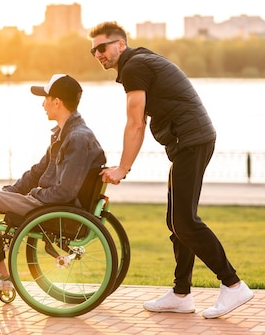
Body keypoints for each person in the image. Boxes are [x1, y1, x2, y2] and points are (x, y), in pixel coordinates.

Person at [88, 21, 254, 319]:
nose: (98, 54)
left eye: (102, 47)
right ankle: (181, 294)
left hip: (192, 141)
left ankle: (233, 284)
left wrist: (122, 168)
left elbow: (136, 122)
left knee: (185, 222)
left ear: (120, 44)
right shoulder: (140, 61)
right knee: (176, 220)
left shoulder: (133, 68)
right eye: (93, 50)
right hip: (190, 141)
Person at [0, 74, 106, 291]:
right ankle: (2, 276)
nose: (42, 104)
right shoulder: (65, 133)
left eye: (45, 98)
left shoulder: (77, 138)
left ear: (57, 102)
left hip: (57, 209)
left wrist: (32, 195)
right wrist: (11, 191)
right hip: (51, 203)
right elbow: (38, 171)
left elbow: (66, 191)